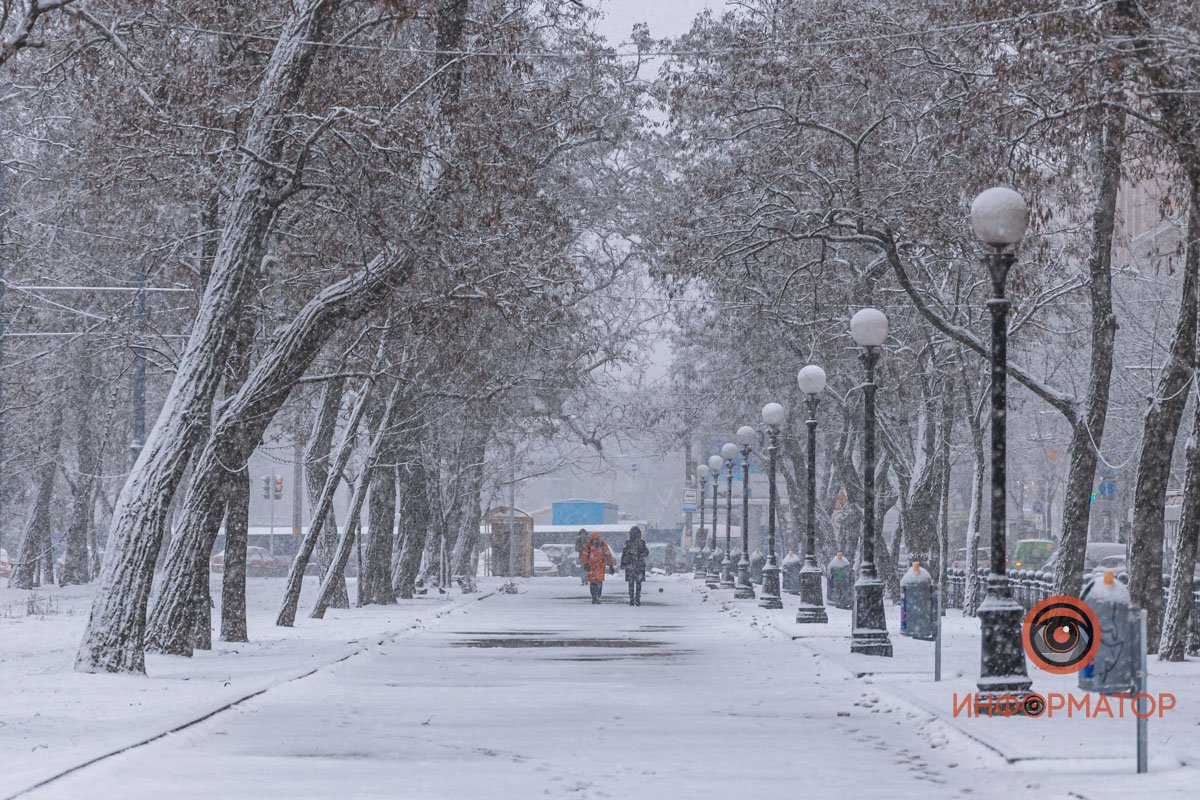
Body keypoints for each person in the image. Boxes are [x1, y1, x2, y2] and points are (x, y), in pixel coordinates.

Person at [580, 532, 614, 604]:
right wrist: (586, 564)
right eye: (593, 539)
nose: (595, 541)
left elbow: (608, 555)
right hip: (592, 567)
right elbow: (584, 556)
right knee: (593, 583)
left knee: (598, 583)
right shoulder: (589, 546)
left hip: (599, 567)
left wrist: (611, 565)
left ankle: (597, 597)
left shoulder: (602, 546)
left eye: (596, 539)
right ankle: (595, 597)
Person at [620, 526, 650, 606]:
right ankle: (637, 598)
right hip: (639, 565)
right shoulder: (641, 543)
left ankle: (632, 598)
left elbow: (624, 554)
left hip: (630, 565)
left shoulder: (628, 543)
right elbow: (646, 553)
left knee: (631, 583)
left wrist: (623, 564)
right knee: (638, 583)